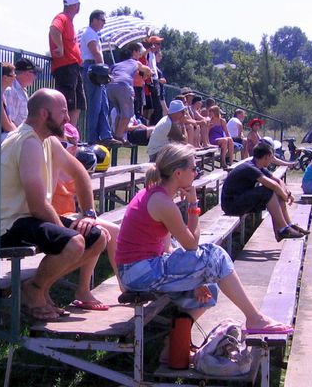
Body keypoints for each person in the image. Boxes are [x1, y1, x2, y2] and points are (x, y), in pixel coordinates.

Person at [115, 142, 294, 357]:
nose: (196, 172)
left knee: (210, 291)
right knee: (215, 255)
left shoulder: (158, 195)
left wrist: (197, 276)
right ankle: (255, 318)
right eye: (193, 168)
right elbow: (191, 244)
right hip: (138, 273)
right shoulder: (161, 201)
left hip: (141, 269)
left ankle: (175, 342)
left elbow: (166, 245)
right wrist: (193, 204)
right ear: (178, 173)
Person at [0, 89, 108, 321]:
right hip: (10, 225)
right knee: (75, 243)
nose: (67, 118)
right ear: (44, 114)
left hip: (30, 219)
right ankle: (33, 291)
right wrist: (67, 234)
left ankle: (39, 289)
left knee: (98, 237)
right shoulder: (28, 142)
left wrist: (89, 214)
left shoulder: (48, 140)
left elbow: (80, 173)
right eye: (63, 112)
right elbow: (36, 204)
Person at [50, 122, 121, 311]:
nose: (59, 148)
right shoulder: (49, 164)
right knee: (100, 233)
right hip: (55, 217)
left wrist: (85, 214)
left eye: (65, 144)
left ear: (74, 147)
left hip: (72, 215)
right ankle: (83, 289)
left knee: (115, 230)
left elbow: (84, 205)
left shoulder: (75, 168)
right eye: (57, 143)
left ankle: (123, 284)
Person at [221, 141, 307, 241]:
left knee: (275, 192)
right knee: (269, 191)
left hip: (241, 200)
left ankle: (287, 226)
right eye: (271, 157)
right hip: (231, 205)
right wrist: (284, 196)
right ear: (266, 156)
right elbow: (272, 185)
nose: (272, 160)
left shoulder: (258, 165)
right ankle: (284, 229)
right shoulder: (250, 167)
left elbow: (278, 181)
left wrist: (287, 193)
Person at [79, 9, 115, 145]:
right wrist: (104, 71)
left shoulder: (94, 34)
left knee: (103, 104)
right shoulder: (89, 33)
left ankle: (105, 134)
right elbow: (95, 53)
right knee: (95, 105)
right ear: (94, 19)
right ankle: (92, 139)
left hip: (96, 68)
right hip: (93, 68)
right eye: (102, 20)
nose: (104, 23)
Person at [49, 0, 85, 127]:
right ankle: (63, 134)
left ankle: (71, 133)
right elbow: (54, 29)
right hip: (66, 68)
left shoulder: (69, 21)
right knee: (67, 104)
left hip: (73, 67)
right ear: (75, 6)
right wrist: (59, 46)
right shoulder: (62, 17)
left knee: (78, 103)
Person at [107, 42, 153, 143]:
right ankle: (118, 138)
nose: (139, 54)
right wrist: (146, 75)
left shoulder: (117, 64)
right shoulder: (135, 62)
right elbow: (148, 70)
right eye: (138, 52)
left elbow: (110, 73)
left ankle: (115, 136)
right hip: (124, 86)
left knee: (120, 113)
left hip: (110, 87)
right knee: (127, 115)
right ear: (133, 53)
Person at [4, 58, 37, 127]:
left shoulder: (22, 90)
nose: (35, 77)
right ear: (27, 73)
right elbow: (9, 123)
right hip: (13, 135)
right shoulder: (10, 90)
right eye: (35, 73)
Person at [143, 35, 168, 122]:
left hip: (154, 82)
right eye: (157, 43)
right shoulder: (148, 54)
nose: (159, 46)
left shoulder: (153, 55)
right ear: (152, 44)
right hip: (150, 82)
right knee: (154, 108)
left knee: (156, 108)